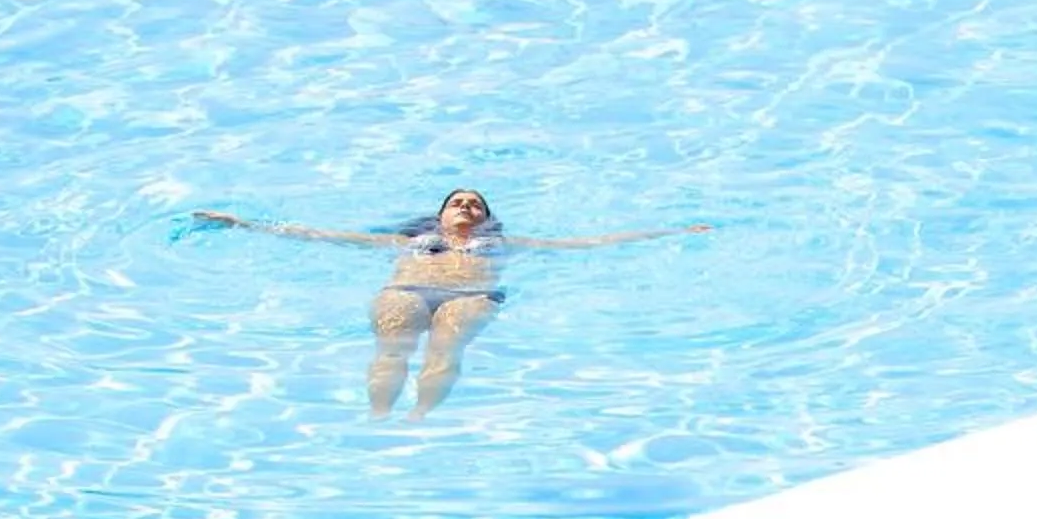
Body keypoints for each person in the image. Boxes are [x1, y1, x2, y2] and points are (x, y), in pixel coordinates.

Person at [189, 186, 710, 416]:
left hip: (472, 293)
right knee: (391, 351)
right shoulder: (406, 242)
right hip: (406, 289)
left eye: (475, 204)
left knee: (445, 351)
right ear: (439, 216)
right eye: (456, 202)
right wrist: (243, 224)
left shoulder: (502, 245)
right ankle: (377, 417)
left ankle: (418, 418)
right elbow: (326, 235)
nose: (465, 206)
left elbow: (588, 245)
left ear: (486, 219)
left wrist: (672, 231)